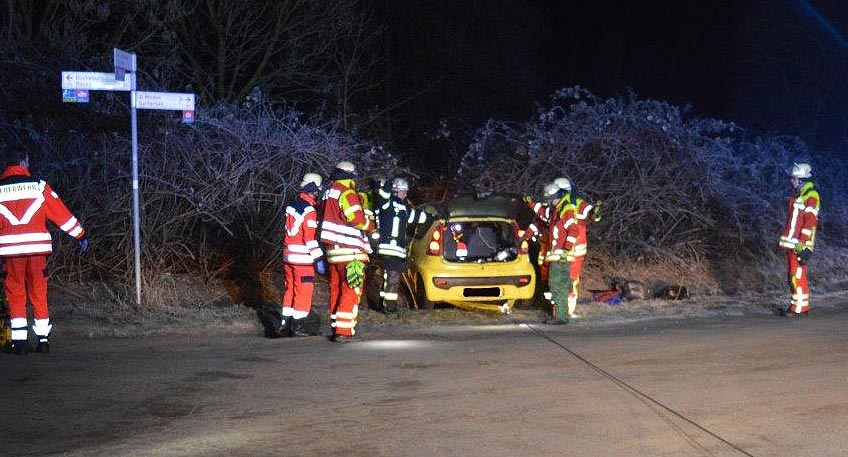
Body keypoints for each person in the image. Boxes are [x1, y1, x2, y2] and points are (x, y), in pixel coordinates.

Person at [0, 145, 88, 355]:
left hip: (11, 252)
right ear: (23, 162)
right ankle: (43, 340)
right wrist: (81, 235)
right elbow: (61, 215)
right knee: (38, 292)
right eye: (27, 162)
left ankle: (19, 343)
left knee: (15, 292)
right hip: (38, 251)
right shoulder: (39, 187)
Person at [319, 161, 374, 342]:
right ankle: (344, 331)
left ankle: (336, 327)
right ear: (350, 176)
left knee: (336, 288)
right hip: (350, 252)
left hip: (332, 252)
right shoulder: (347, 193)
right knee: (351, 288)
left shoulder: (328, 193)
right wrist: (371, 226)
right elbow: (357, 220)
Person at [369, 177, 429, 312]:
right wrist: (388, 185)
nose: (406, 194)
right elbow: (383, 196)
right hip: (390, 248)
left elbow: (417, 216)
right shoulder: (386, 203)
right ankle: (390, 307)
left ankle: (382, 304)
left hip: (394, 249)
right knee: (393, 278)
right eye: (404, 192)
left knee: (388, 278)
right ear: (396, 191)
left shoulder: (402, 206)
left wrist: (432, 217)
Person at [279, 172, 325, 337]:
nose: (318, 194)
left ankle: (285, 324)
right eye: (317, 191)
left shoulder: (292, 205)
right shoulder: (309, 211)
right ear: (313, 189)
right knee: (304, 292)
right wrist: (318, 258)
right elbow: (309, 239)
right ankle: (299, 326)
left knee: (290, 290)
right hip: (302, 259)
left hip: (288, 256)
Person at [777, 163, 820, 316]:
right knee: (793, 276)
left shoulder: (811, 196)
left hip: (800, 244)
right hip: (793, 242)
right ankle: (797, 305)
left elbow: (810, 222)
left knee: (797, 275)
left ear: (801, 179)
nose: (791, 181)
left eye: (794, 178)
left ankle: (799, 308)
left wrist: (803, 243)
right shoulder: (799, 195)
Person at [542, 182, 575, 324]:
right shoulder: (560, 209)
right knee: (561, 285)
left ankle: (561, 317)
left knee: (556, 285)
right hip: (561, 256)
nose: (548, 202)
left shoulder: (564, 210)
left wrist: (566, 250)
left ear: (554, 196)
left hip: (561, 257)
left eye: (549, 199)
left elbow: (574, 230)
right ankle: (563, 315)